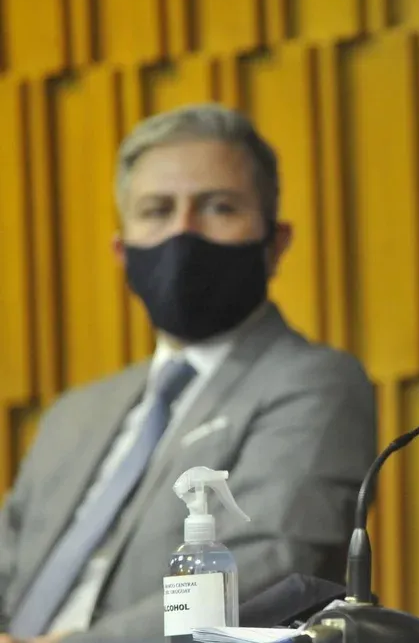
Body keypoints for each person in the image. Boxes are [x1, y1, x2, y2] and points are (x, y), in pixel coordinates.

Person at [0, 103, 378, 643]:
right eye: (157, 210)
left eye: (219, 207)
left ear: (276, 243)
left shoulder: (315, 384)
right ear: (122, 252)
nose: (183, 232)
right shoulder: (74, 414)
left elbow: (267, 571)